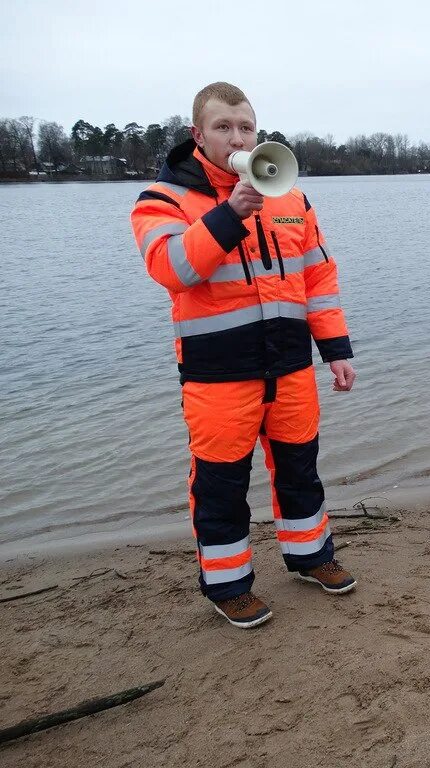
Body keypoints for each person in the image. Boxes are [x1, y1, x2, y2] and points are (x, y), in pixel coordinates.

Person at [130, 82, 357, 629]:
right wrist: (228, 215)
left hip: (291, 366)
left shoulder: (292, 197)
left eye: (246, 128)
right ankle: (228, 586)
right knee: (221, 485)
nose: (237, 137)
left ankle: (310, 557)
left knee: (300, 469)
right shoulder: (161, 200)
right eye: (223, 128)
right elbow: (173, 269)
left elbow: (318, 277)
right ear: (198, 135)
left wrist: (335, 349)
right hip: (218, 376)